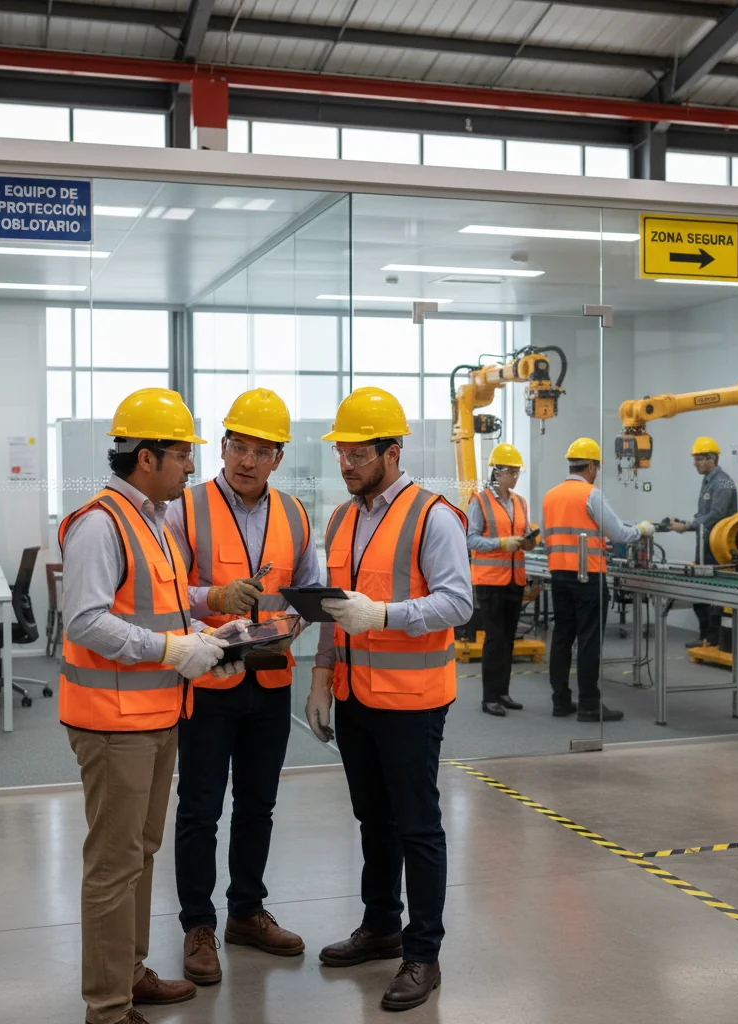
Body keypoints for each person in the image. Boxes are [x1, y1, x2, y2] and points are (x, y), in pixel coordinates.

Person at [59, 388, 234, 1024]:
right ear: (147, 457)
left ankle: (129, 975)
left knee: (139, 852)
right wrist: (171, 650)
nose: (192, 467)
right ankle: (106, 1009)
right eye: (183, 455)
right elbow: (85, 621)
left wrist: (207, 624)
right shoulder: (101, 523)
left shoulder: (151, 518)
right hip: (112, 724)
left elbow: (164, 597)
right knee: (112, 865)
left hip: (156, 716)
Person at [305, 386, 472, 1013]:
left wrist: (385, 613)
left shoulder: (434, 516)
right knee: (372, 819)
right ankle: (381, 927)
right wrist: (321, 675)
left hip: (414, 697)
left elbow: (458, 601)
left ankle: (423, 953)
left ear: (392, 451)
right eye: (341, 453)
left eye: (357, 453)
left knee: (416, 825)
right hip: (355, 694)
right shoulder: (342, 517)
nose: (345, 464)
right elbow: (334, 609)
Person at [165, 387, 322, 986]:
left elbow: (308, 592)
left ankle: (247, 912)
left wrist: (292, 628)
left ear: (278, 457)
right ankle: (197, 926)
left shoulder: (295, 514)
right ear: (223, 446)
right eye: (236, 445)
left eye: (259, 450)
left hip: (271, 678)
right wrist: (214, 597)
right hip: (208, 680)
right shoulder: (185, 507)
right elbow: (168, 591)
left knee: (259, 804)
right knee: (201, 809)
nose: (245, 460)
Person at [542, 437, 654, 724]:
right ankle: (590, 704)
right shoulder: (591, 494)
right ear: (591, 466)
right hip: (587, 577)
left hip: (558, 576)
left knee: (562, 638)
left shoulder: (550, 496)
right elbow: (617, 533)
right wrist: (641, 530)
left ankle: (561, 701)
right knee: (589, 641)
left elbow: (557, 536)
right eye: (597, 468)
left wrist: (593, 542)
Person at [466, 442, 538, 718]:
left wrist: (528, 541)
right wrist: (501, 542)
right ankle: (489, 698)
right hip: (490, 580)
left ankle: (503, 692)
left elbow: (524, 531)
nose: (516, 477)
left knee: (508, 638)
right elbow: (471, 538)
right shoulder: (480, 501)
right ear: (497, 472)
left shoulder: (520, 502)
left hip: (514, 578)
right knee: (494, 639)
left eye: (518, 472)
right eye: (512, 471)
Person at [668, 437, 738, 648]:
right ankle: (706, 636)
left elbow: (716, 514)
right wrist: (684, 523)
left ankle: (714, 638)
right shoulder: (707, 481)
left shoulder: (723, 482)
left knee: (714, 594)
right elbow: (704, 514)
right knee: (700, 593)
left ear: (712, 458)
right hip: (704, 545)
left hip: (718, 549)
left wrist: (688, 526)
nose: (695, 463)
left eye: (699, 459)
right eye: (695, 459)